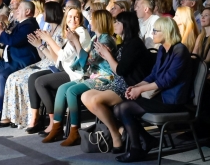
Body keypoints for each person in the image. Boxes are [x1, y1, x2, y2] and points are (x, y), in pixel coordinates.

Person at [113, 17, 192, 162]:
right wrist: (136, 86)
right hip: (162, 97)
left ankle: (137, 148)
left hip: (173, 101)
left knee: (123, 108)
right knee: (120, 107)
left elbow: (166, 80)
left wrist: (141, 90)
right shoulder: (163, 49)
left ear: (166, 32)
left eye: (156, 31)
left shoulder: (180, 50)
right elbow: (154, 74)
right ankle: (146, 141)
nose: (152, 34)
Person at [82, 12, 154, 153]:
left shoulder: (134, 44)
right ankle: (120, 130)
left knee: (95, 100)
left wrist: (108, 55)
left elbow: (120, 71)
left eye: (117, 23)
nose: (114, 25)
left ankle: (115, 135)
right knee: (85, 96)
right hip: (118, 82)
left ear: (125, 25)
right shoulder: (124, 43)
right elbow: (118, 70)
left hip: (130, 85)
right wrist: (107, 55)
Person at [42, 10, 116, 146]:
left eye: (92, 19)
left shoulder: (107, 40)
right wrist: (76, 45)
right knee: (62, 88)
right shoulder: (95, 38)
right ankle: (57, 128)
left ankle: (74, 131)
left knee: (72, 91)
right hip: (92, 75)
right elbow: (81, 60)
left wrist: (76, 42)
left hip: (105, 78)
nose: (90, 22)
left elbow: (88, 60)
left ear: (99, 22)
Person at [26, 6, 90, 136]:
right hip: (65, 69)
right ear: (66, 19)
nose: (73, 19)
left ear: (81, 19)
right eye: (70, 17)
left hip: (76, 74)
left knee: (41, 82)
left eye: (76, 17)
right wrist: (41, 45)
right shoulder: (70, 33)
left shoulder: (80, 32)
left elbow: (63, 56)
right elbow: (57, 61)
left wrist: (49, 39)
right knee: (33, 78)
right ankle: (36, 120)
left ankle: (53, 123)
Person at [0, 1, 64, 128]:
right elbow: (43, 56)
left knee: (22, 79)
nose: (42, 14)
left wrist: (40, 45)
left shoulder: (60, 32)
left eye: (45, 11)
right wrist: (38, 45)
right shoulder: (49, 29)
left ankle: (31, 117)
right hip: (44, 62)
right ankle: (14, 116)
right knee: (13, 77)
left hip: (53, 66)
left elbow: (55, 59)